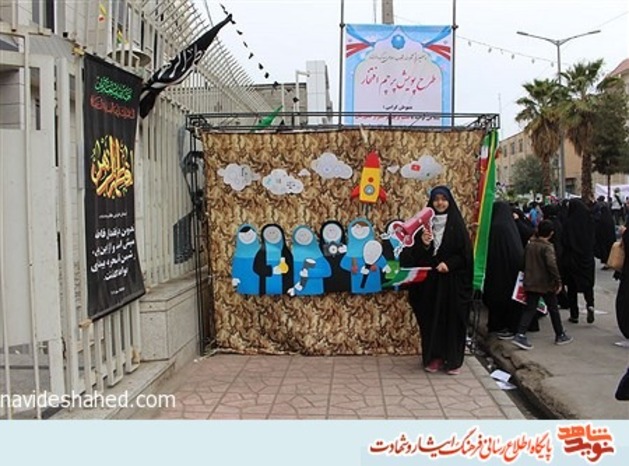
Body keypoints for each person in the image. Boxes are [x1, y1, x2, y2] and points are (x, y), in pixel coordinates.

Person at [399, 186, 473, 375]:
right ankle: (434, 358)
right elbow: (414, 257)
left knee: (452, 320)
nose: (440, 203)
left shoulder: (457, 225)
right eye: (436, 199)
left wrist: (449, 264)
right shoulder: (424, 225)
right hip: (430, 285)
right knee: (432, 320)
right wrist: (424, 244)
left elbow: (465, 255)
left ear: (449, 201)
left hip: (452, 284)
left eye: (443, 199)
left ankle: (453, 360)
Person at [512, 220, 573, 350]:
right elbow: (551, 265)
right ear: (551, 233)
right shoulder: (547, 247)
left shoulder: (530, 245)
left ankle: (520, 334)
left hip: (531, 282)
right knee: (553, 309)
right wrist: (558, 281)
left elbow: (523, 262)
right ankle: (560, 334)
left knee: (530, 309)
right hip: (545, 284)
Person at [483, 201, 526, 339]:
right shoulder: (510, 226)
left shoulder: (496, 227)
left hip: (498, 270)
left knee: (498, 298)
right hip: (513, 269)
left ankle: (500, 326)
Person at [562, 198, 596, 324]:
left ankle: (574, 314)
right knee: (588, 285)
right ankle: (590, 304)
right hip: (587, 258)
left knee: (572, 287)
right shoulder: (590, 220)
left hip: (573, 259)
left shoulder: (569, 222)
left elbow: (564, 241)